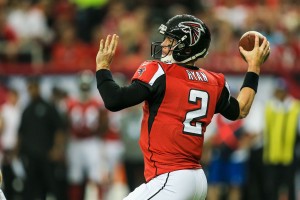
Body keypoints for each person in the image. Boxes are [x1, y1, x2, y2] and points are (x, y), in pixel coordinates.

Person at [95, 14, 270, 200]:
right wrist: (254, 67)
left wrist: (103, 67)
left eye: (170, 40)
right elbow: (241, 109)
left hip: (171, 177)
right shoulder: (214, 82)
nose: (163, 45)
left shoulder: (159, 72)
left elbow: (114, 100)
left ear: (187, 46)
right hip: (196, 179)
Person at [18, 77, 65, 200]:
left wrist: (57, 149)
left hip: (47, 155)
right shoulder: (26, 110)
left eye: (34, 87)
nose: (32, 91)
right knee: (31, 189)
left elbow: (59, 129)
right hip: (31, 156)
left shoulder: (48, 107)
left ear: (39, 88)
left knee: (52, 186)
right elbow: (21, 133)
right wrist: (19, 152)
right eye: (30, 88)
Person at [65, 70, 108, 200]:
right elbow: (66, 125)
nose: (84, 87)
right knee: (74, 176)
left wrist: (97, 135)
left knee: (96, 176)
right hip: (75, 142)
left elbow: (103, 124)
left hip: (91, 141)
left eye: (86, 84)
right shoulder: (71, 103)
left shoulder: (97, 104)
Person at [261, 78, 300, 200]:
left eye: (280, 91)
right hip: (272, 155)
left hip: (290, 155)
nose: (278, 93)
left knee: (290, 187)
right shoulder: (269, 107)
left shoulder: (295, 107)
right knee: (271, 187)